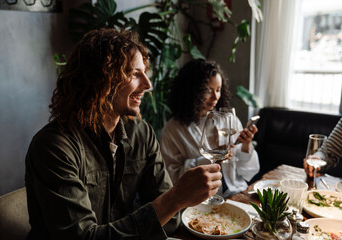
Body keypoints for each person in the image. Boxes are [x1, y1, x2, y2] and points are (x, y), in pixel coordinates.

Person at [24, 29, 223, 240]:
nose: (148, 85)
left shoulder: (141, 133)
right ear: (102, 79)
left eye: (144, 72)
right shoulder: (54, 147)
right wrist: (175, 199)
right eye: (134, 74)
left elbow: (171, 221)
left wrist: (175, 202)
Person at [160, 58, 260, 198]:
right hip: (199, 200)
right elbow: (172, 177)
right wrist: (212, 159)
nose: (215, 97)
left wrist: (246, 145)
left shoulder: (228, 120)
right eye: (208, 91)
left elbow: (247, 172)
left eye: (218, 90)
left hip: (235, 192)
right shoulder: (173, 130)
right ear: (191, 91)